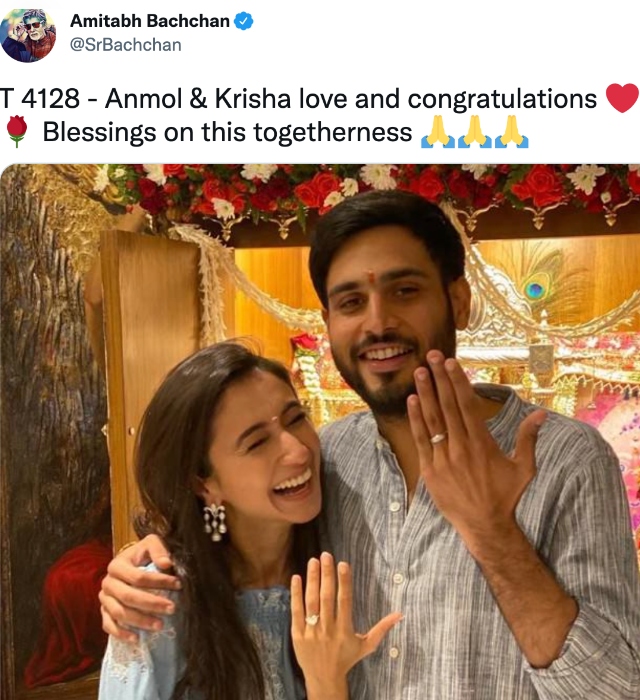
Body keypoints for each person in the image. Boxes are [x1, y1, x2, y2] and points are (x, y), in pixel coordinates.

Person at [100, 191, 640, 699]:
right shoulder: (331, 458)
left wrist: (493, 533)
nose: (378, 322)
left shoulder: (566, 460)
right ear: (329, 323)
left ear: (458, 301)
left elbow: (617, 688)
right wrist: (144, 564)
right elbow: (237, 539)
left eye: (405, 291)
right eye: (352, 301)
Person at [97, 341, 401, 700]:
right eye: (257, 443)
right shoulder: (157, 605)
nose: (299, 451)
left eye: (296, 418)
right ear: (203, 484)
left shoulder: (340, 554)